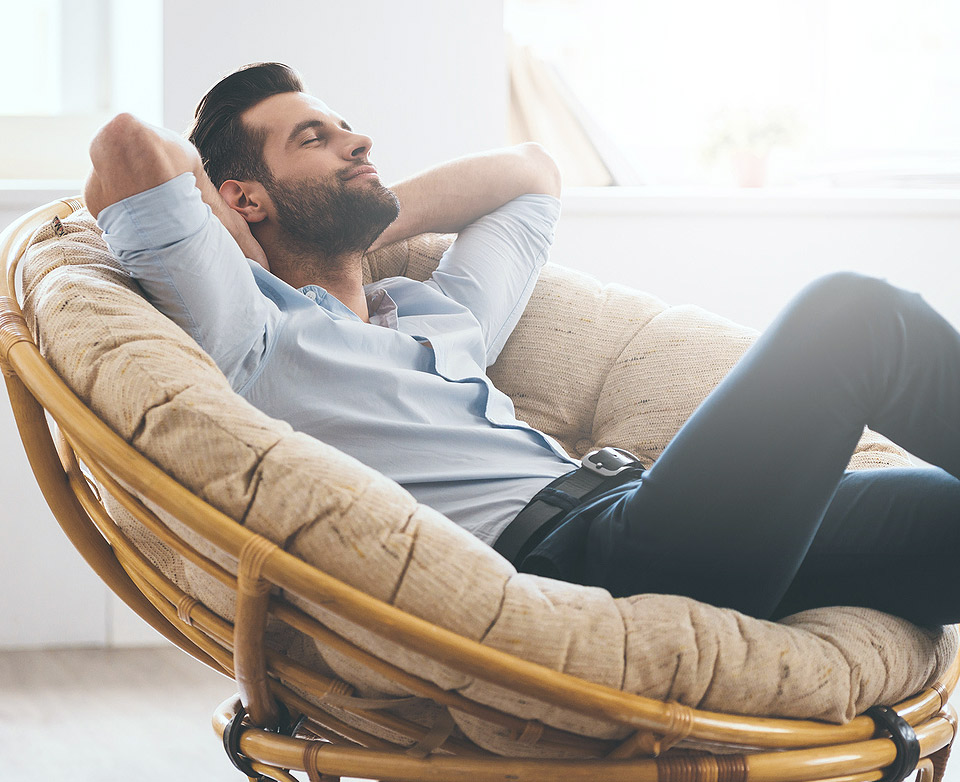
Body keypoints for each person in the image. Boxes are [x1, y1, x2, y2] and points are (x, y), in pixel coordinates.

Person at [83, 63, 960, 627]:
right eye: (315, 138)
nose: (359, 141)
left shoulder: (434, 311)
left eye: (347, 127)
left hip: (653, 514)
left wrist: (369, 216)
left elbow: (533, 174)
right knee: (854, 317)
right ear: (240, 198)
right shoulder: (255, 336)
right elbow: (128, 149)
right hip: (580, 566)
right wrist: (245, 248)